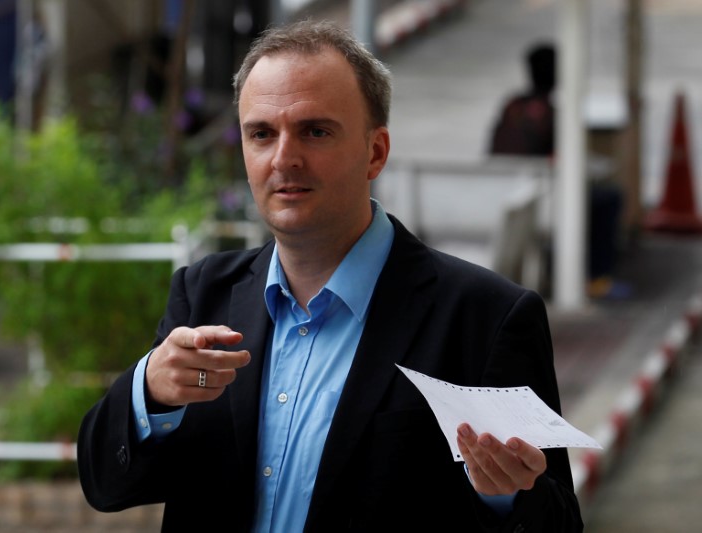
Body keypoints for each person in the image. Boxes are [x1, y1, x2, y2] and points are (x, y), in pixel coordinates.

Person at [77, 20, 584, 532]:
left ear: (376, 152)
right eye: (261, 134)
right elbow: (105, 484)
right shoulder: (203, 293)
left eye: (315, 131)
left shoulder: (485, 317)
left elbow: (557, 524)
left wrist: (506, 496)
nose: (284, 158)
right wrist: (150, 392)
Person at [489, 41, 629, 300]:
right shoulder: (552, 114)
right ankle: (596, 277)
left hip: (500, 198)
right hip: (540, 207)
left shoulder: (511, 106)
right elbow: (564, 161)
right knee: (608, 198)